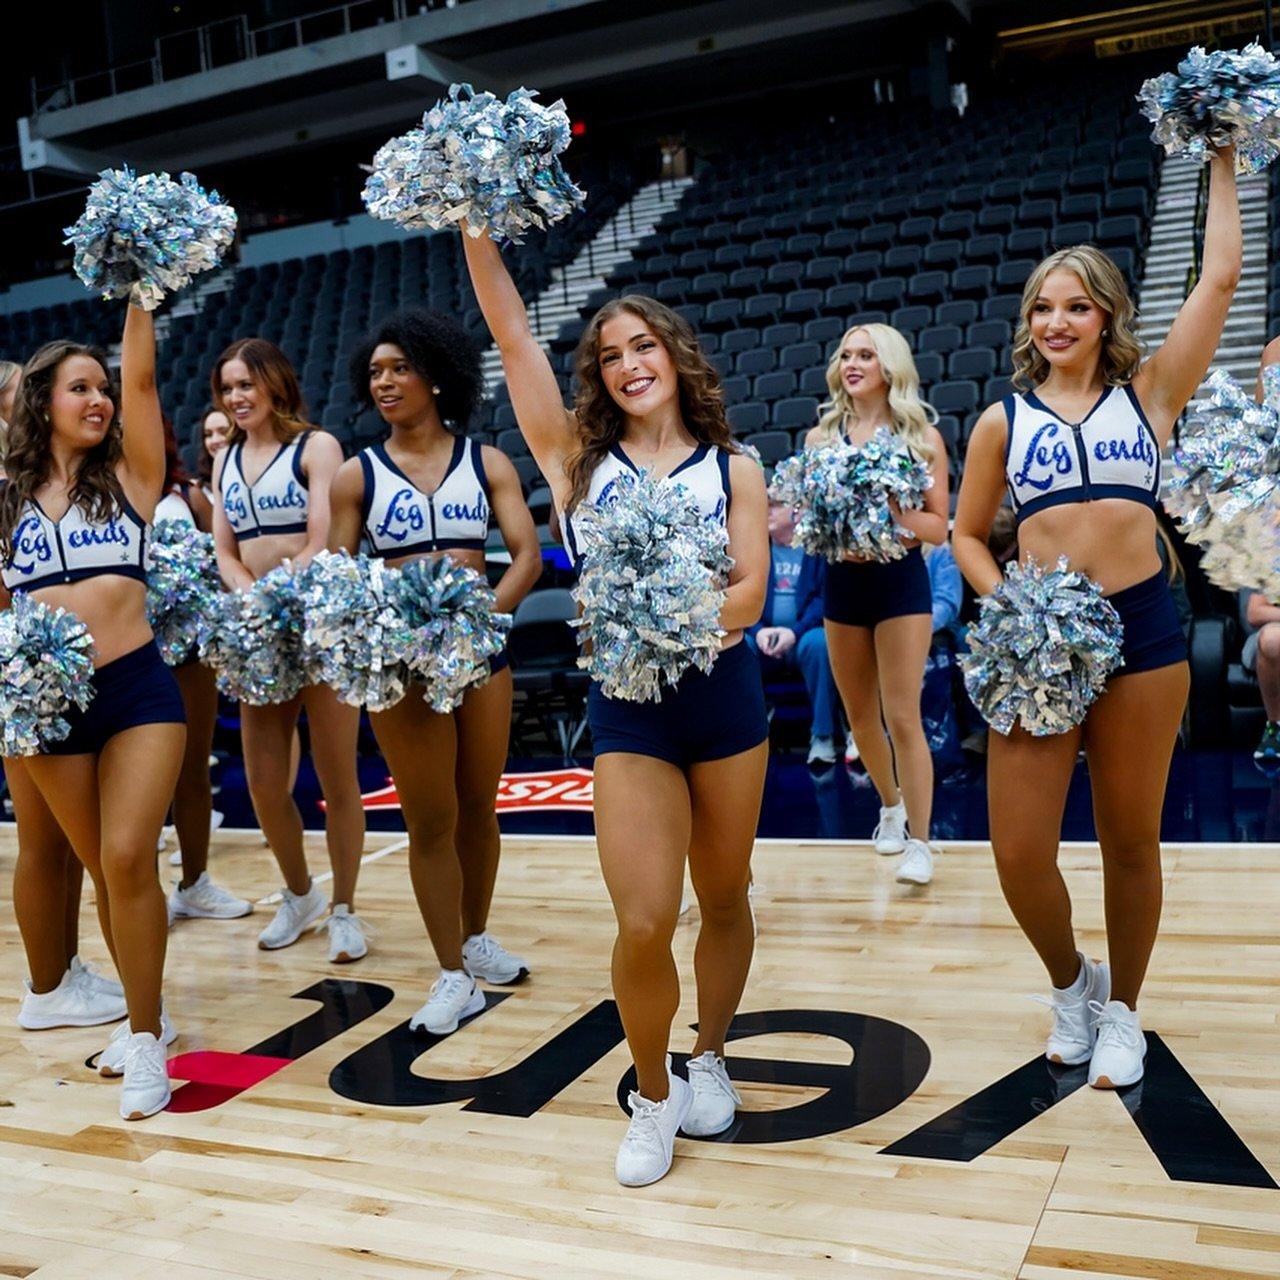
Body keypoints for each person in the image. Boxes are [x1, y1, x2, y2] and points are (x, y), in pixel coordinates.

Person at [462, 229, 769, 1188]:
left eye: (644, 346)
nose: (629, 365)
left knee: (723, 896)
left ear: (676, 358)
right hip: (631, 711)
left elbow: (751, 592)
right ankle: (650, 1092)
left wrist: (671, 622)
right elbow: (514, 339)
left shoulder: (735, 468)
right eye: (609, 354)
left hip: (723, 704)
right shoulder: (573, 463)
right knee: (643, 919)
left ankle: (708, 1054)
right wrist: (477, 219)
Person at [952, 144, 1241, 1089]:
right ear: (1027, 324)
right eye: (1043, 306)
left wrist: (1225, 161)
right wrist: (1013, 604)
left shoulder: (1148, 395)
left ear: (1107, 313)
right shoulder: (1002, 420)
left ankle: (1124, 1015)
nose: (1057, 320)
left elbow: (1221, 278)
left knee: (1130, 837)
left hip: (1145, 632)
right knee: (1019, 849)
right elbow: (965, 536)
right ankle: (1073, 981)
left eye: (1076, 304)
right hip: (1039, 649)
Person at [330, 307, 542, 1031]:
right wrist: (388, 617)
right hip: (402, 666)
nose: (384, 382)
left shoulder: (487, 462)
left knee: (480, 806)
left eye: (399, 368)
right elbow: (336, 576)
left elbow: (527, 557)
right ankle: (451, 974)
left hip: (481, 653)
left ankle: (473, 936)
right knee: (430, 819)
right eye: (375, 372)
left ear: (437, 375)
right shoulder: (357, 475)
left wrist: (481, 618)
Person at [0, 305, 188, 1119]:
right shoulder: (4, 499)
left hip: (139, 690)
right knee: (102, 868)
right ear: (42, 401)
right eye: (82, 388)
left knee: (126, 854)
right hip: (47, 703)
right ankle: (142, 1005)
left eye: (102, 388)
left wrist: (139, 294)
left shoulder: (133, 477)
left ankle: (146, 1038)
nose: (100, 399)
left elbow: (142, 378)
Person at [210, 338, 368, 960]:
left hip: (320, 623)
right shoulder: (226, 460)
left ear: (275, 384)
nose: (236, 398)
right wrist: (250, 595)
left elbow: (324, 539)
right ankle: (299, 892)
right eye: (227, 388)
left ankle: (347, 907)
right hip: (261, 631)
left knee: (336, 775)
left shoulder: (316, 447)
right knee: (264, 783)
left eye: (246, 384)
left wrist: (282, 586)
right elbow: (224, 548)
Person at [805, 324, 950, 886]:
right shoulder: (822, 440)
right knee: (859, 715)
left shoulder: (922, 438)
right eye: (845, 354)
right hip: (842, 583)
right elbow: (811, 523)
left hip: (899, 584)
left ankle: (922, 841)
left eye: (865, 354)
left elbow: (937, 527)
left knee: (901, 715)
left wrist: (887, 510)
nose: (852, 363)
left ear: (890, 365)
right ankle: (889, 807)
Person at [153, 417, 251, 923]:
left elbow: (222, 560)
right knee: (139, 778)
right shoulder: (94, 496)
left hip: (188, 649)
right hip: (130, 650)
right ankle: (143, 892)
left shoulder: (188, 496)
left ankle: (194, 883)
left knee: (191, 766)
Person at [746, 498, 840, 765]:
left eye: (774, 505)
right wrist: (758, 631)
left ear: (796, 511)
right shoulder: (754, 549)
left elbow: (823, 600)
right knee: (740, 647)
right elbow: (741, 594)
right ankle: (750, 735)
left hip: (801, 638)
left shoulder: (814, 550)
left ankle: (823, 736)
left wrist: (794, 633)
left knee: (819, 642)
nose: (767, 511)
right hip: (762, 637)